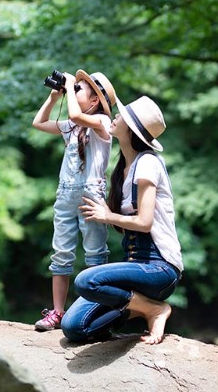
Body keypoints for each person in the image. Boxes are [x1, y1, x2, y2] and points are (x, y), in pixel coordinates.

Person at [60, 95, 183, 345]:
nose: (115, 116)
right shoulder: (123, 168)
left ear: (132, 130)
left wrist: (107, 215)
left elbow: (144, 222)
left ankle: (154, 309)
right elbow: (122, 224)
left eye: (122, 116)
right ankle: (137, 306)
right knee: (74, 327)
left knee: (86, 280)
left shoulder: (148, 163)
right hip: (135, 267)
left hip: (158, 268)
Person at [31, 70, 117, 331]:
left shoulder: (102, 121)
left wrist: (69, 85)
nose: (73, 90)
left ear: (94, 101)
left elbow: (75, 115)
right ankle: (57, 312)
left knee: (95, 253)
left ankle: (95, 309)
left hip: (90, 195)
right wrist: (54, 97)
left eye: (79, 89)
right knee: (61, 253)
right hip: (66, 194)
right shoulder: (72, 126)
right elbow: (39, 122)